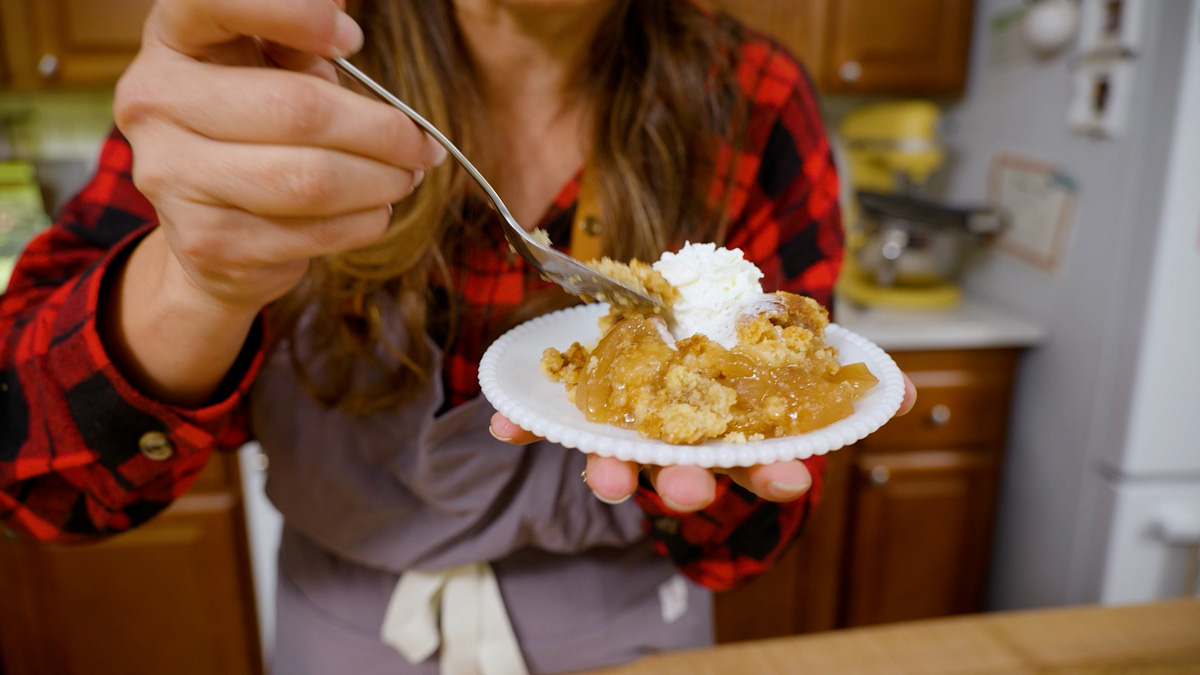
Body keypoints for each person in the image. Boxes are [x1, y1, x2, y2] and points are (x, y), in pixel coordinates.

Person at [0, 0, 915, 673]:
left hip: (631, 627)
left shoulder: (753, 98)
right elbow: (40, 486)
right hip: (346, 626)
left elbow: (752, 531)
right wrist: (197, 281)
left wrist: (722, 445)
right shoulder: (269, 70)